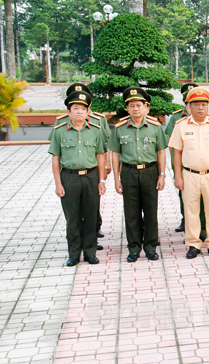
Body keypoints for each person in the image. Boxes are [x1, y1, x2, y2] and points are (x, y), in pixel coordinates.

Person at [168, 87, 209, 259]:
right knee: (191, 211)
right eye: (196, 104)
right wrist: (178, 176)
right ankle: (193, 244)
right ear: (189, 107)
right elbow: (177, 153)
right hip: (190, 174)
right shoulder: (181, 126)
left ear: (208, 107)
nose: (200, 108)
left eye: (204, 104)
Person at [108, 87, 168, 263]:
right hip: (128, 172)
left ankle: (150, 247)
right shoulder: (119, 129)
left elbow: (161, 152)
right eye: (131, 105)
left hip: (150, 171)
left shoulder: (155, 127)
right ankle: (134, 248)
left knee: (150, 211)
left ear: (146, 108)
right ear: (127, 108)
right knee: (131, 212)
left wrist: (162, 174)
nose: (135, 108)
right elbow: (115, 154)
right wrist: (116, 179)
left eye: (139, 105)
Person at [49, 90, 108, 266]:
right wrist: (58, 183)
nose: (80, 112)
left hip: (91, 177)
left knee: (91, 216)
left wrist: (102, 180)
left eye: (83, 109)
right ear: (68, 112)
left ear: (88, 112)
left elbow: (100, 156)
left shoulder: (96, 131)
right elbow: (55, 159)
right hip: (69, 178)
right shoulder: (59, 131)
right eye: (76, 108)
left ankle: (90, 252)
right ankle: (74, 253)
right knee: (72, 218)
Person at [165, 82, 199, 234]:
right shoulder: (176, 118)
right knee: (184, 193)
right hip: (183, 164)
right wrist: (175, 166)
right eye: (187, 101)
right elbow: (172, 144)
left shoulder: (205, 117)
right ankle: (185, 219)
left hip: (201, 165)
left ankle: (201, 222)